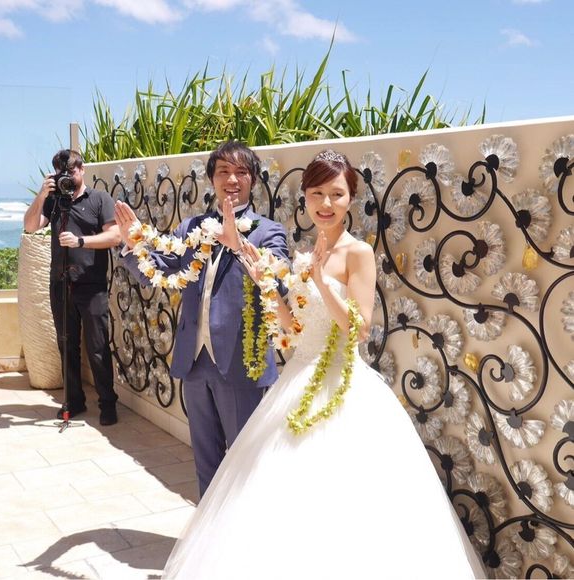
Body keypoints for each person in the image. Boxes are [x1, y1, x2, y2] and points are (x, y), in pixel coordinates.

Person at [162, 150, 486, 579]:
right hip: (298, 379)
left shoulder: (358, 254)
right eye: (316, 194)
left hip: (344, 387)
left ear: (350, 197)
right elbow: (294, 327)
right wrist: (267, 287)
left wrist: (320, 282)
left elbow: (360, 328)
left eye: (336, 194)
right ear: (306, 198)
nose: (326, 204)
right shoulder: (303, 254)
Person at [115, 140, 289, 497]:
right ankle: (206, 528)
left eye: (241, 172)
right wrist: (133, 244)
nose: (232, 179)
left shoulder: (268, 231)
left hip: (242, 364)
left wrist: (238, 245)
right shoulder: (192, 228)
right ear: (212, 179)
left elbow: (279, 282)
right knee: (206, 462)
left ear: (253, 180)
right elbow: (157, 273)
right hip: (194, 362)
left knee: (245, 463)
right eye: (223, 171)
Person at [23, 149, 121, 426]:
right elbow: (30, 226)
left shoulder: (99, 199)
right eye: (62, 173)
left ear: (82, 169)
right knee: (67, 345)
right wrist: (42, 194)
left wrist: (81, 242)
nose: (68, 176)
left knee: (98, 346)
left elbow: (115, 236)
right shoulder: (54, 201)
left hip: (91, 285)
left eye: (72, 171)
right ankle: (74, 401)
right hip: (60, 284)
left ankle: (107, 403)